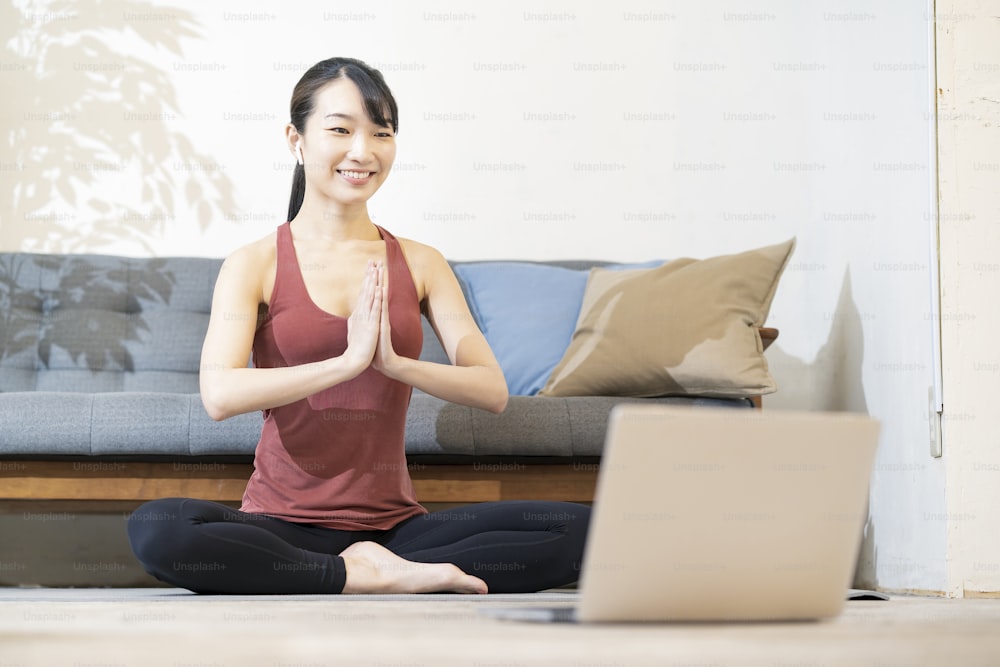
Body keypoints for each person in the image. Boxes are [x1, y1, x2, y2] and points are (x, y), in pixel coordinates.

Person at [127, 57, 590, 594]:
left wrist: (394, 362)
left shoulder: (420, 261)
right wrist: (345, 363)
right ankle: (354, 576)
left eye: (381, 132)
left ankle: (374, 569)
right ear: (296, 140)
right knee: (160, 528)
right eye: (341, 129)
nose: (362, 151)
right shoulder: (255, 262)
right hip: (281, 527)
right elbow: (220, 393)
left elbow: (491, 390)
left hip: (396, 530)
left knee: (584, 531)